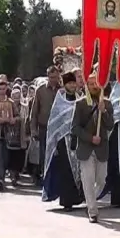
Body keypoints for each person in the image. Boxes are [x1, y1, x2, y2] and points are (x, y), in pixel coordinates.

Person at [71, 74, 114, 223]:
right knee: (88, 179)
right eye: (90, 84)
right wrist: (90, 138)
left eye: (95, 83)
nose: (93, 86)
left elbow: (110, 125)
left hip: (102, 149)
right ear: (86, 86)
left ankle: (90, 200)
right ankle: (92, 210)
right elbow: (75, 128)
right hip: (86, 148)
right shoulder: (80, 104)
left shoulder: (107, 104)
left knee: (101, 180)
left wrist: (104, 112)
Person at [43, 72, 85, 211]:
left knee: (79, 170)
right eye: (69, 83)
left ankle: (77, 197)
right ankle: (67, 201)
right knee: (66, 171)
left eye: (74, 83)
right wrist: (55, 143)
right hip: (63, 141)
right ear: (65, 85)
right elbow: (53, 123)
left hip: (78, 139)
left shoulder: (81, 99)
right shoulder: (59, 101)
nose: (72, 85)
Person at [30, 66, 62, 186]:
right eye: (51, 77)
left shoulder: (62, 90)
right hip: (44, 127)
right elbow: (34, 112)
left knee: (58, 153)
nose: (54, 79)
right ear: (48, 76)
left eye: (56, 77)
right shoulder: (40, 90)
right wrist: (33, 130)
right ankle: (45, 177)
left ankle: (56, 178)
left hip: (59, 127)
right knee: (44, 153)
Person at [6, 88, 28, 185]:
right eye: (14, 96)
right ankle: (12, 174)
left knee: (20, 156)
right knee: (11, 156)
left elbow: (28, 119)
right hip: (10, 135)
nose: (16, 99)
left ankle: (17, 172)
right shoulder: (7, 107)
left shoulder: (25, 107)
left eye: (18, 96)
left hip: (22, 134)